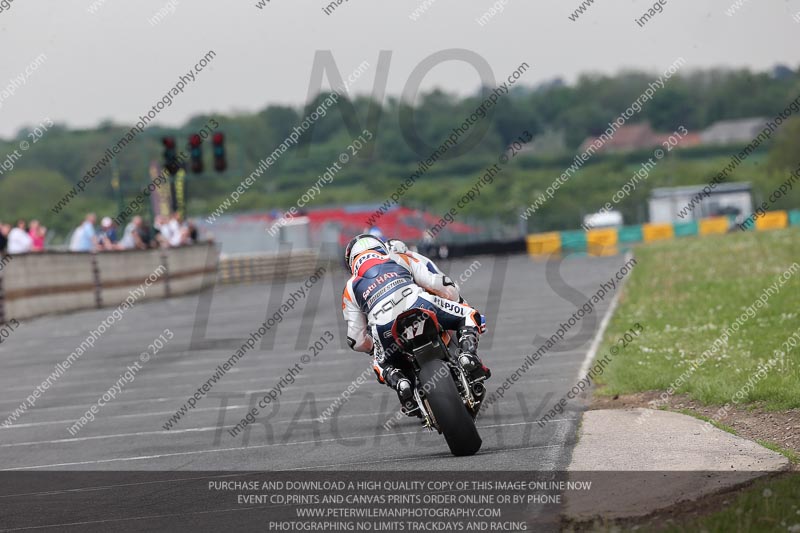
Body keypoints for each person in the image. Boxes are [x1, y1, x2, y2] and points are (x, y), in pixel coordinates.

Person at [341, 234, 490, 413]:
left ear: (351, 261)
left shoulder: (350, 288)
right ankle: (467, 353)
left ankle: (400, 382)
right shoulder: (397, 257)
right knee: (468, 314)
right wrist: (455, 301)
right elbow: (437, 284)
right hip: (420, 305)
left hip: (384, 328)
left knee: (380, 363)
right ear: (380, 246)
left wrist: (374, 347)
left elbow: (356, 340)